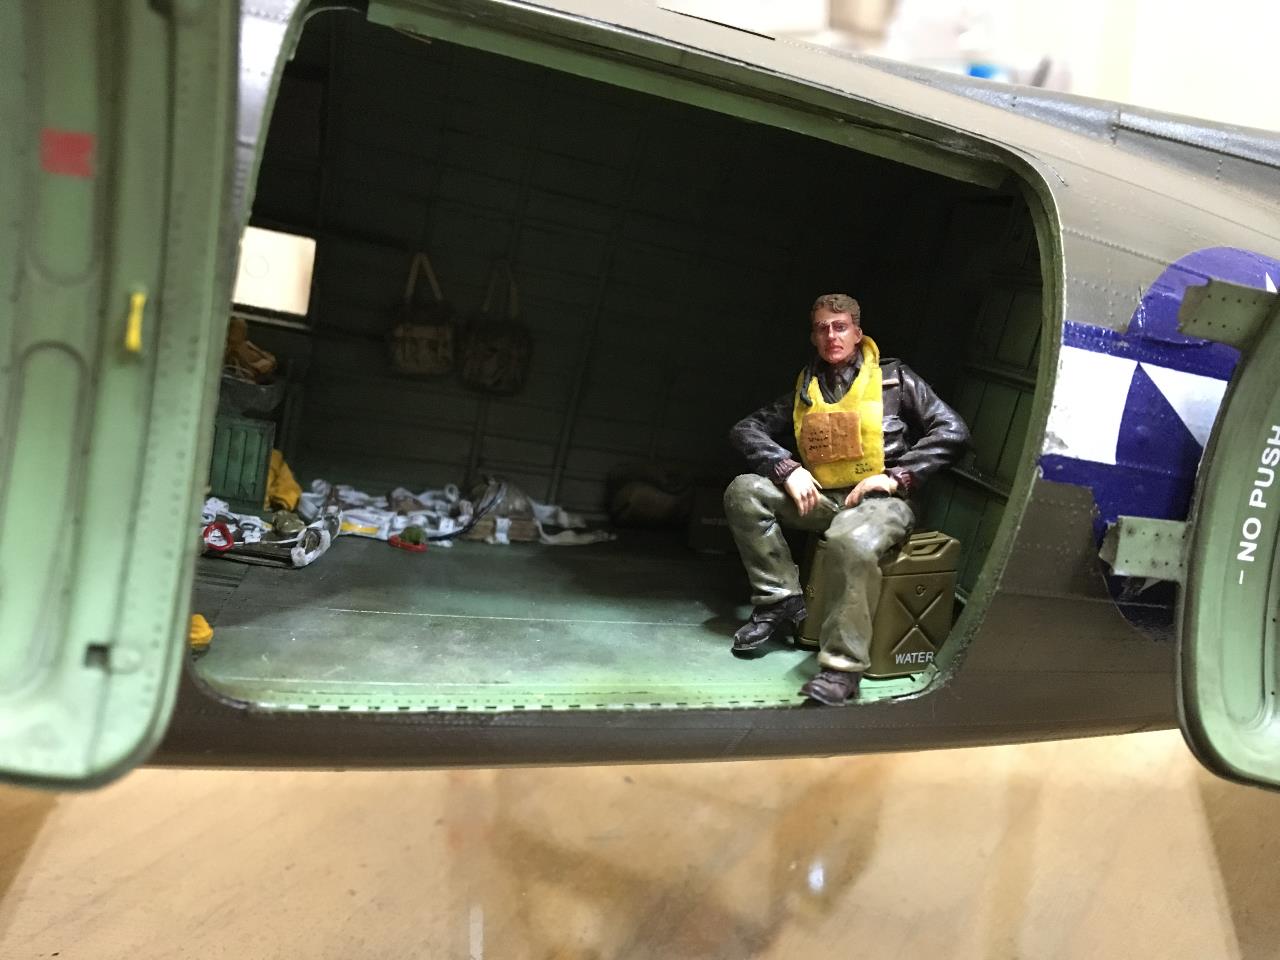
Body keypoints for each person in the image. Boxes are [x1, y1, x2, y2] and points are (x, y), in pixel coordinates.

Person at [724, 293, 969, 705]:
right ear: (813, 337)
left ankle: (842, 669)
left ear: (857, 333)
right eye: (822, 328)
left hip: (882, 504)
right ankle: (780, 600)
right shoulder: (806, 389)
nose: (831, 336)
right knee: (745, 492)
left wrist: (896, 477)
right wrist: (786, 468)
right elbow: (746, 429)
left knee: (850, 539)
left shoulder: (895, 380)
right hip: (824, 498)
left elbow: (952, 431)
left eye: (840, 327)